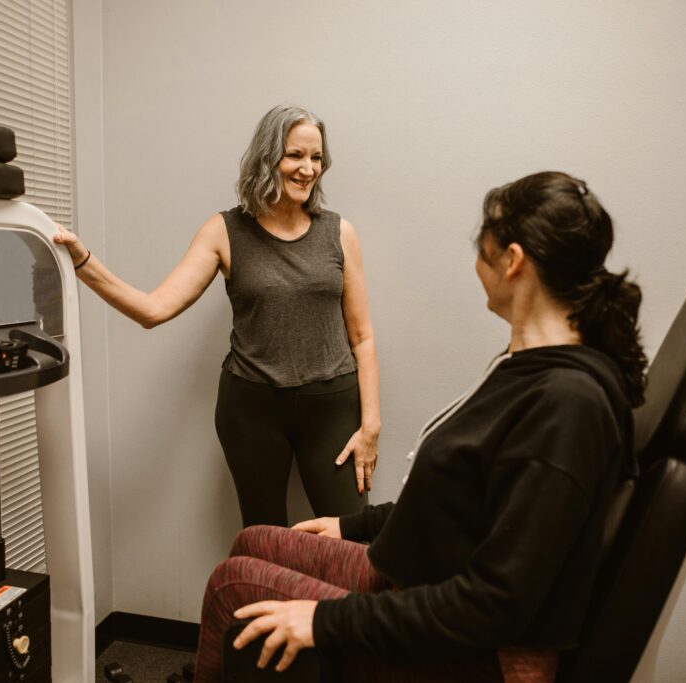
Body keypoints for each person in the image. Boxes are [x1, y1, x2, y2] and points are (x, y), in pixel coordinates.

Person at [193, 171, 649, 682]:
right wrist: (353, 526)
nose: (478, 262)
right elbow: (461, 495)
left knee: (235, 585)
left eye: (483, 247)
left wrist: (325, 620)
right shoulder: (532, 368)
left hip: (477, 657)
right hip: (423, 580)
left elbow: (494, 605)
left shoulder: (567, 406)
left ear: (513, 261)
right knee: (256, 542)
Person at [53, 105, 380, 527]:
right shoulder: (225, 231)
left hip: (332, 407)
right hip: (252, 410)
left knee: (353, 540)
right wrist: (83, 262)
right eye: (295, 155)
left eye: (316, 158)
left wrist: (370, 424)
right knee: (263, 542)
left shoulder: (339, 233)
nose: (308, 168)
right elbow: (154, 310)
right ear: (268, 157)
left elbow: (363, 336)